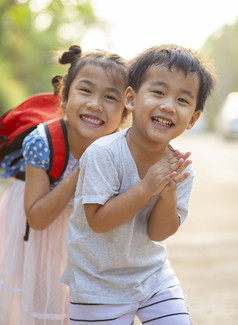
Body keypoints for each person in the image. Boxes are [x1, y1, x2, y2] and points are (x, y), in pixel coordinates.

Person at [61, 44, 215, 325]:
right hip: (97, 283)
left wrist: (167, 194)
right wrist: (147, 187)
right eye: (158, 92)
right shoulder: (103, 153)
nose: (168, 106)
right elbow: (97, 221)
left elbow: (158, 233)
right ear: (130, 99)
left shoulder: (179, 169)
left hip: (152, 277)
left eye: (182, 100)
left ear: (192, 118)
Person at [0, 44, 129, 325]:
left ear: (125, 111)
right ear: (64, 97)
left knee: (79, 307)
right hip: (37, 220)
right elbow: (37, 218)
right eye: (85, 91)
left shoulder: (122, 149)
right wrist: (81, 171)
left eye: (110, 97)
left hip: (82, 228)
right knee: (40, 302)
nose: (96, 104)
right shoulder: (43, 143)